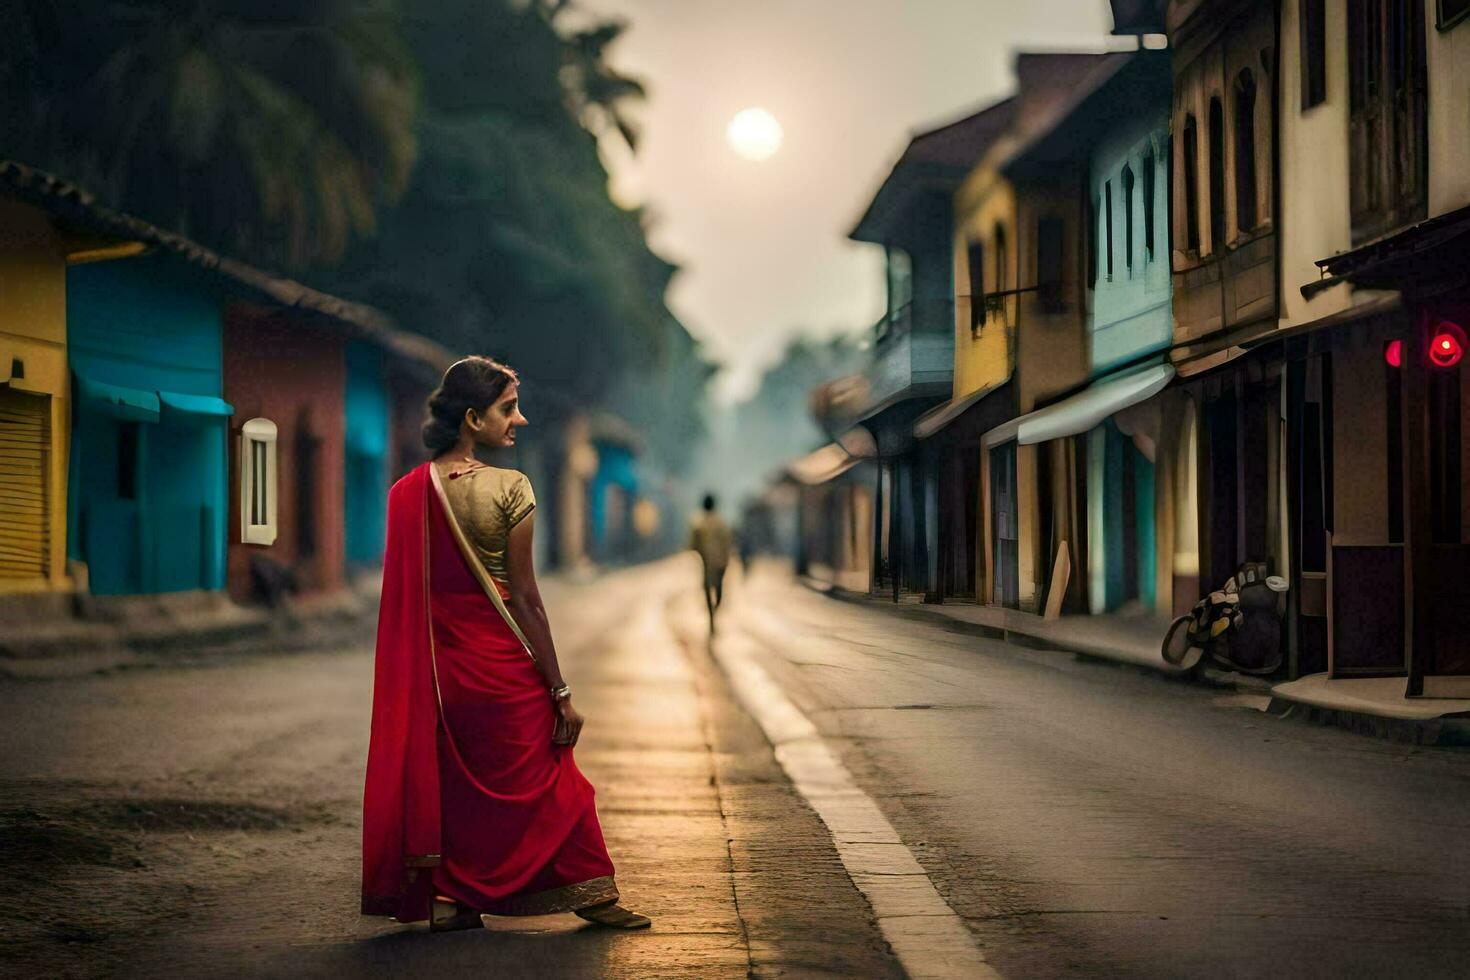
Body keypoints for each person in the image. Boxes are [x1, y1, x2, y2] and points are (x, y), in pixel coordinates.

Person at [362, 356, 649, 932]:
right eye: (507, 408)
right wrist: (559, 690)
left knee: (464, 787)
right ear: (472, 418)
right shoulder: (510, 487)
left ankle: (458, 899)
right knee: (555, 778)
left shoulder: (406, 493)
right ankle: (591, 892)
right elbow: (526, 598)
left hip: (441, 675)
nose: (519, 420)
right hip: (500, 669)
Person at [689, 493, 732, 632]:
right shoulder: (721, 523)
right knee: (719, 590)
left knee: (707, 591)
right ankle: (714, 611)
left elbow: (692, 545)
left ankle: (711, 615)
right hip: (720, 563)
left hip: (705, 563)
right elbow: (727, 543)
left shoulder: (698, 523)